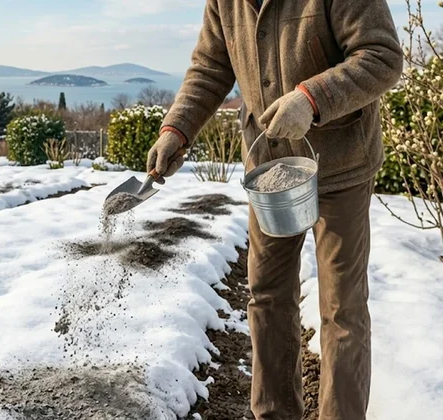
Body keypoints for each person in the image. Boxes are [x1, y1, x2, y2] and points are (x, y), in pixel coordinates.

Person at [147, 1, 403, 419]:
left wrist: (310, 100)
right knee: (267, 295)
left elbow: (382, 57)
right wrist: (177, 128)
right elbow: (211, 66)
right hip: (270, 168)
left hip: (341, 164)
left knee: (343, 308)